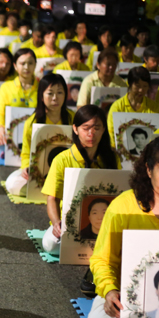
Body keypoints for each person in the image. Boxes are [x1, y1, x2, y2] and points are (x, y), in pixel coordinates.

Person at [88, 134, 159, 318]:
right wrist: (110, 291)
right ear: (148, 170)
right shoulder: (122, 207)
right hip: (128, 294)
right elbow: (101, 259)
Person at [41, 105, 120, 256]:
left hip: (104, 221)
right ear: (75, 129)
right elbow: (52, 198)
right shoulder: (62, 160)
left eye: (97, 127)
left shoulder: (112, 158)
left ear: (104, 130)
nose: (92, 133)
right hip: (70, 222)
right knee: (50, 245)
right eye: (86, 128)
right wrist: (57, 223)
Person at [5, 73, 75, 196]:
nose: (55, 98)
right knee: (12, 184)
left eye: (59, 93)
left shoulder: (73, 118)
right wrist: (26, 167)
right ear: (41, 96)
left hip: (66, 171)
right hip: (40, 171)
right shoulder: (32, 122)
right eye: (50, 93)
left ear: (65, 95)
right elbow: (26, 152)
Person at [0, 48, 38, 149]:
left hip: (33, 134)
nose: (27, 67)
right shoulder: (6, 87)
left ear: (35, 65)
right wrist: (0, 128)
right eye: (22, 64)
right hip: (12, 133)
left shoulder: (42, 88)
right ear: (15, 66)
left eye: (30, 63)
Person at [106, 67, 159, 145]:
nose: (141, 90)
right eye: (137, 86)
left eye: (145, 86)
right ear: (129, 83)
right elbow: (111, 133)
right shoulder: (117, 106)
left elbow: (157, 133)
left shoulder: (153, 106)